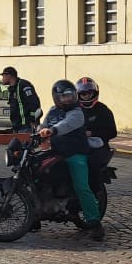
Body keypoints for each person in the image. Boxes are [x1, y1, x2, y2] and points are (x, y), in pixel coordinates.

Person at [38, 79, 103, 239]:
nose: (68, 99)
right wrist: (39, 131)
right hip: (55, 152)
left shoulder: (77, 112)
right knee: (37, 176)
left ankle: (95, 222)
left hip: (75, 153)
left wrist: (52, 130)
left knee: (81, 186)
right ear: (56, 97)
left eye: (70, 95)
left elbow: (67, 125)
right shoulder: (53, 110)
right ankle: (35, 215)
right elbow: (44, 125)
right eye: (64, 96)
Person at [77, 76, 116, 191]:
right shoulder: (75, 110)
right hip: (79, 144)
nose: (86, 96)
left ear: (94, 93)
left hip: (98, 147)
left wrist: (92, 133)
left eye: (89, 93)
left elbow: (112, 132)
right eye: (83, 94)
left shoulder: (103, 110)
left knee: (91, 164)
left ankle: (92, 191)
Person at [0, 66, 42, 133]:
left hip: (26, 126)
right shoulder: (12, 89)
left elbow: (34, 103)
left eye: (3, 76)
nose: (2, 79)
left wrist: (32, 119)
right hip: (16, 126)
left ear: (9, 76)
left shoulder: (23, 85)